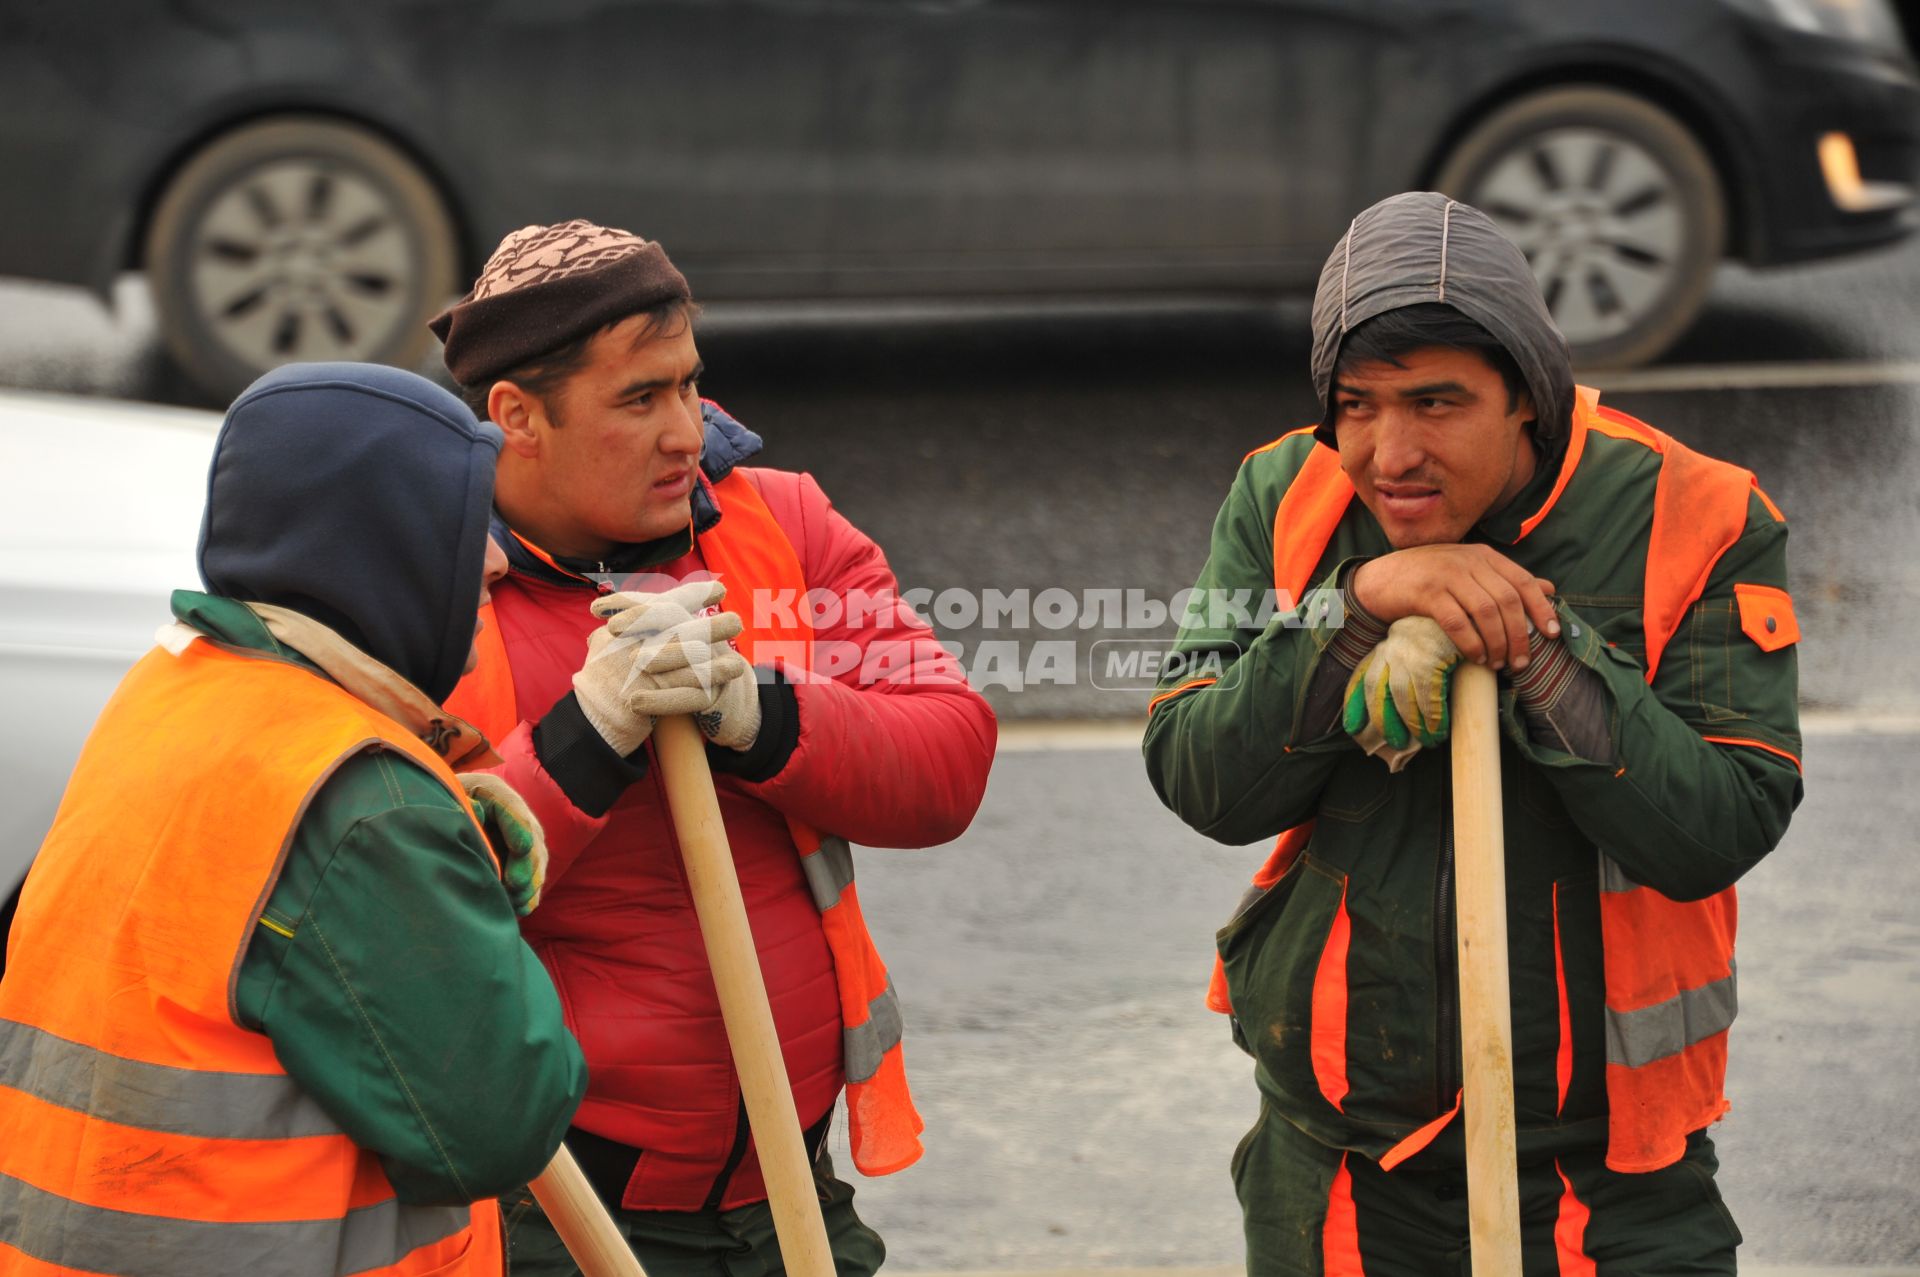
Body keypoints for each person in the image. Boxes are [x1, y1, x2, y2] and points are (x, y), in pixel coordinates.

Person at [1143, 192, 1802, 1275]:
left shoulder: (1705, 515)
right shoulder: (1282, 492)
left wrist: (1535, 648)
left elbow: (1720, 826)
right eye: (1355, 404)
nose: (1388, 452)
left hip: (1609, 1177)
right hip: (1334, 1160)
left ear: (1529, 402)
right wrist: (1356, 614)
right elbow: (1197, 772)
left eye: (1436, 402)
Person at [429, 220, 997, 1276]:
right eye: (639, 399)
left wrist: (764, 712)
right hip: (552, 1217)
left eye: (690, 384)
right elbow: (412, 896)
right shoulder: (429, 588)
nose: (688, 431)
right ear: (518, 418)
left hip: (793, 1193)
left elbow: (949, 758)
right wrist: (585, 739)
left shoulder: (783, 521)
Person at [0, 363, 588, 1275]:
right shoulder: (363, 811)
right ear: (378, 544)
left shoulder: (174, 689)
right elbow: (499, 1122)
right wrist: (426, 860)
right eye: (468, 526)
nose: (498, 561)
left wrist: (437, 826)